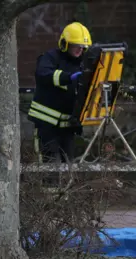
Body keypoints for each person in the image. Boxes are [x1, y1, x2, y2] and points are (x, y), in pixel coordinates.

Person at [29, 22, 92, 163]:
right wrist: (67, 77)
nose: (80, 50)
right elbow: (43, 74)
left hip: (67, 127)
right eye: (76, 45)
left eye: (83, 46)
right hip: (46, 125)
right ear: (65, 44)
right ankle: (49, 186)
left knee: (68, 167)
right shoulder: (50, 57)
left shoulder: (82, 63)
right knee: (50, 166)